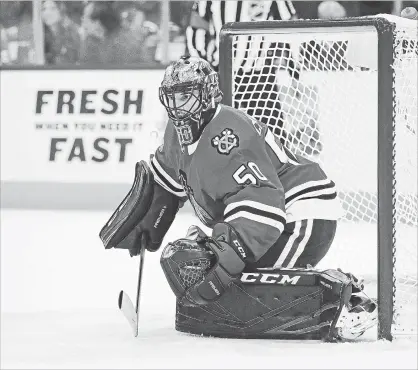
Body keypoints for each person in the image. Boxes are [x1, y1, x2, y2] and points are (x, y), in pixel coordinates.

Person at [99, 56, 377, 341]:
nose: (177, 105)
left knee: (243, 278)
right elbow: (167, 181)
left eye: (186, 95)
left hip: (302, 213)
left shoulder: (229, 137)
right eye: (173, 97)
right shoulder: (177, 132)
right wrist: (150, 215)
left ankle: (346, 303)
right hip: (275, 214)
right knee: (211, 265)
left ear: (207, 94)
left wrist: (229, 256)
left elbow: (263, 202)